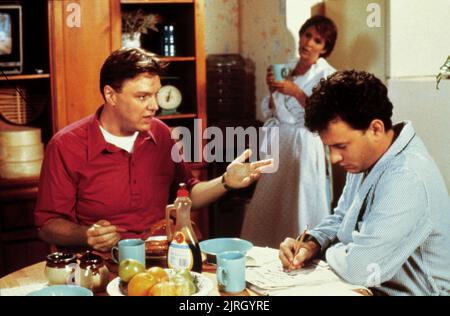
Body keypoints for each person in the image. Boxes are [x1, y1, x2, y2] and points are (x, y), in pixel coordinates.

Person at [35, 47, 272, 253]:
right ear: (110, 95)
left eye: (156, 94)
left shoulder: (162, 134)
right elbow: (48, 225)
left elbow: (187, 195)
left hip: (162, 257)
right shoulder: (66, 146)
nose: (155, 106)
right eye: (142, 96)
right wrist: (87, 234)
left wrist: (226, 182)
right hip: (102, 263)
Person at [279, 70, 450, 296]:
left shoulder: (407, 178)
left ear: (376, 129)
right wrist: (313, 243)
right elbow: (342, 218)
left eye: (341, 146)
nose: (334, 158)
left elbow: (359, 269)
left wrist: (335, 250)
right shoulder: (367, 158)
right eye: (329, 147)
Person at [241, 15, 338, 248]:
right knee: (270, 200)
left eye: (318, 40)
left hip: (304, 142)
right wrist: (272, 89)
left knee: (299, 202)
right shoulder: (285, 68)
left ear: (325, 48)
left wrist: (295, 91)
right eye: (307, 36)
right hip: (280, 141)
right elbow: (271, 111)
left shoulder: (327, 74)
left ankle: (301, 251)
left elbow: (323, 115)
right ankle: (266, 251)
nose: (309, 43)